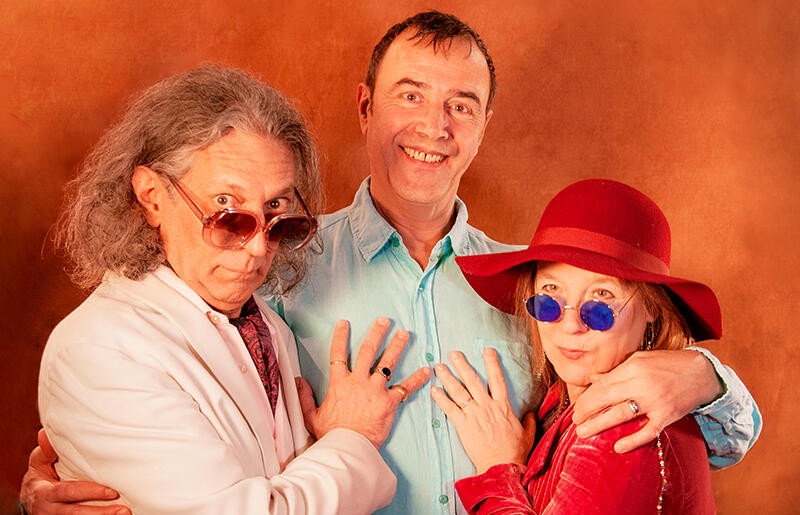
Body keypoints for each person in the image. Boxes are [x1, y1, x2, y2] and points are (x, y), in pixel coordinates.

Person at [21, 11, 761, 515]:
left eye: (461, 104)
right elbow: (185, 422)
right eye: (411, 95)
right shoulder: (276, 264)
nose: (434, 127)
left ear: (483, 126)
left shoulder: (536, 287)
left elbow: (683, 446)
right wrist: (65, 483)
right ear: (365, 106)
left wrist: (706, 377)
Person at [29, 65, 429, 515]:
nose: (258, 246)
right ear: (152, 196)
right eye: (226, 209)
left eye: (276, 209)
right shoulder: (97, 349)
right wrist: (351, 438)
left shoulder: (268, 326)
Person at [434, 178, 725, 513]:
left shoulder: (622, 428)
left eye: (601, 299)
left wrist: (497, 469)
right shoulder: (559, 405)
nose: (570, 325)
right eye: (550, 295)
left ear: (652, 309)